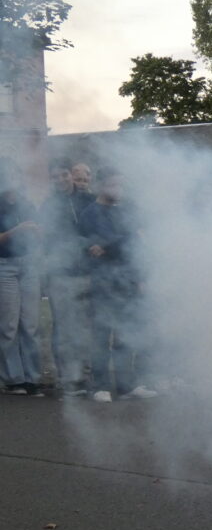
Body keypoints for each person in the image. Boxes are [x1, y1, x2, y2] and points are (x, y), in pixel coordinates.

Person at [78, 170, 157, 402]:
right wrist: (125, 239)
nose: (118, 190)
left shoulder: (125, 211)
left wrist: (140, 277)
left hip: (128, 280)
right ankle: (100, 386)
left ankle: (125, 386)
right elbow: (100, 244)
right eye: (113, 185)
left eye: (120, 185)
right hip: (103, 282)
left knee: (126, 335)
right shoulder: (90, 214)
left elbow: (135, 245)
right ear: (101, 186)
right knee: (102, 335)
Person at [38, 161, 96, 395]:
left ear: (71, 175)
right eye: (55, 177)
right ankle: (65, 378)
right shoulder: (48, 206)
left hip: (86, 272)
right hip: (59, 275)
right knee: (63, 327)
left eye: (63, 175)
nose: (60, 180)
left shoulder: (88, 200)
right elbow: (45, 241)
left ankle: (85, 376)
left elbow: (96, 231)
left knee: (85, 327)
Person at [0, 170, 44, 396]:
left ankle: (32, 377)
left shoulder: (26, 204)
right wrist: (19, 229)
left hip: (28, 264)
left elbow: (40, 233)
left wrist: (38, 235)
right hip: (4, 265)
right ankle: (13, 379)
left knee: (30, 324)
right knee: (9, 325)